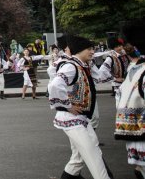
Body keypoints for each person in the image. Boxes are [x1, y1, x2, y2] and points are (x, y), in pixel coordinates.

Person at [48, 36, 113, 179]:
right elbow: (54, 85)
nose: (92, 52)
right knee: (93, 154)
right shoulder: (70, 66)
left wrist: (111, 63)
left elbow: (100, 77)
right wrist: (67, 106)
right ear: (79, 50)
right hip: (71, 118)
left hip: (81, 117)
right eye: (89, 49)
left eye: (93, 49)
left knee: (82, 155)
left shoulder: (82, 65)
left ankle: (70, 176)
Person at [114, 28, 145, 179]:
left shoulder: (138, 68)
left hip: (136, 126)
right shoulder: (136, 67)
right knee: (140, 165)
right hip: (135, 127)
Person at [97, 36, 130, 100]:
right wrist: (114, 79)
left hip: (128, 82)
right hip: (119, 85)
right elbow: (102, 70)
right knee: (121, 102)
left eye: (120, 45)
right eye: (117, 47)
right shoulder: (111, 57)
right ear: (113, 48)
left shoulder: (125, 54)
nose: (120, 48)